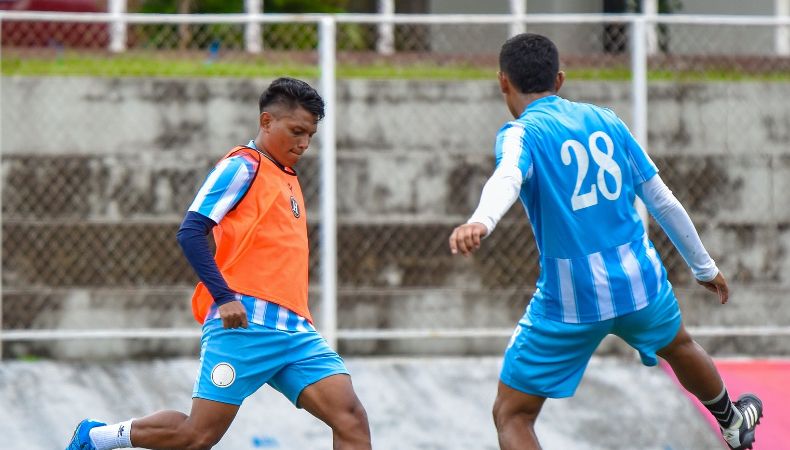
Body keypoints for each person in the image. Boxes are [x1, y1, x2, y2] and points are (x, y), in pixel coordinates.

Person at [448, 33, 762, 450]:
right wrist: (704, 267)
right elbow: (662, 199)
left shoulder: (520, 134)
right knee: (681, 346)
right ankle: (732, 421)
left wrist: (481, 220)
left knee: (512, 414)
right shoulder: (607, 120)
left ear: (503, 82)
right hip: (639, 282)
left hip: (571, 299)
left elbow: (507, 176)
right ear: (559, 80)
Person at [66, 77, 372, 450]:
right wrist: (224, 297)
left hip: (295, 331)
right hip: (243, 324)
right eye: (296, 131)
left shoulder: (287, 176)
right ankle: (96, 437)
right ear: (265, 121)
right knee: (196, 437)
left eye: (310, 134)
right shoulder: (243, 166)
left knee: (351, 419)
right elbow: (191, 231)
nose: (304, 143)